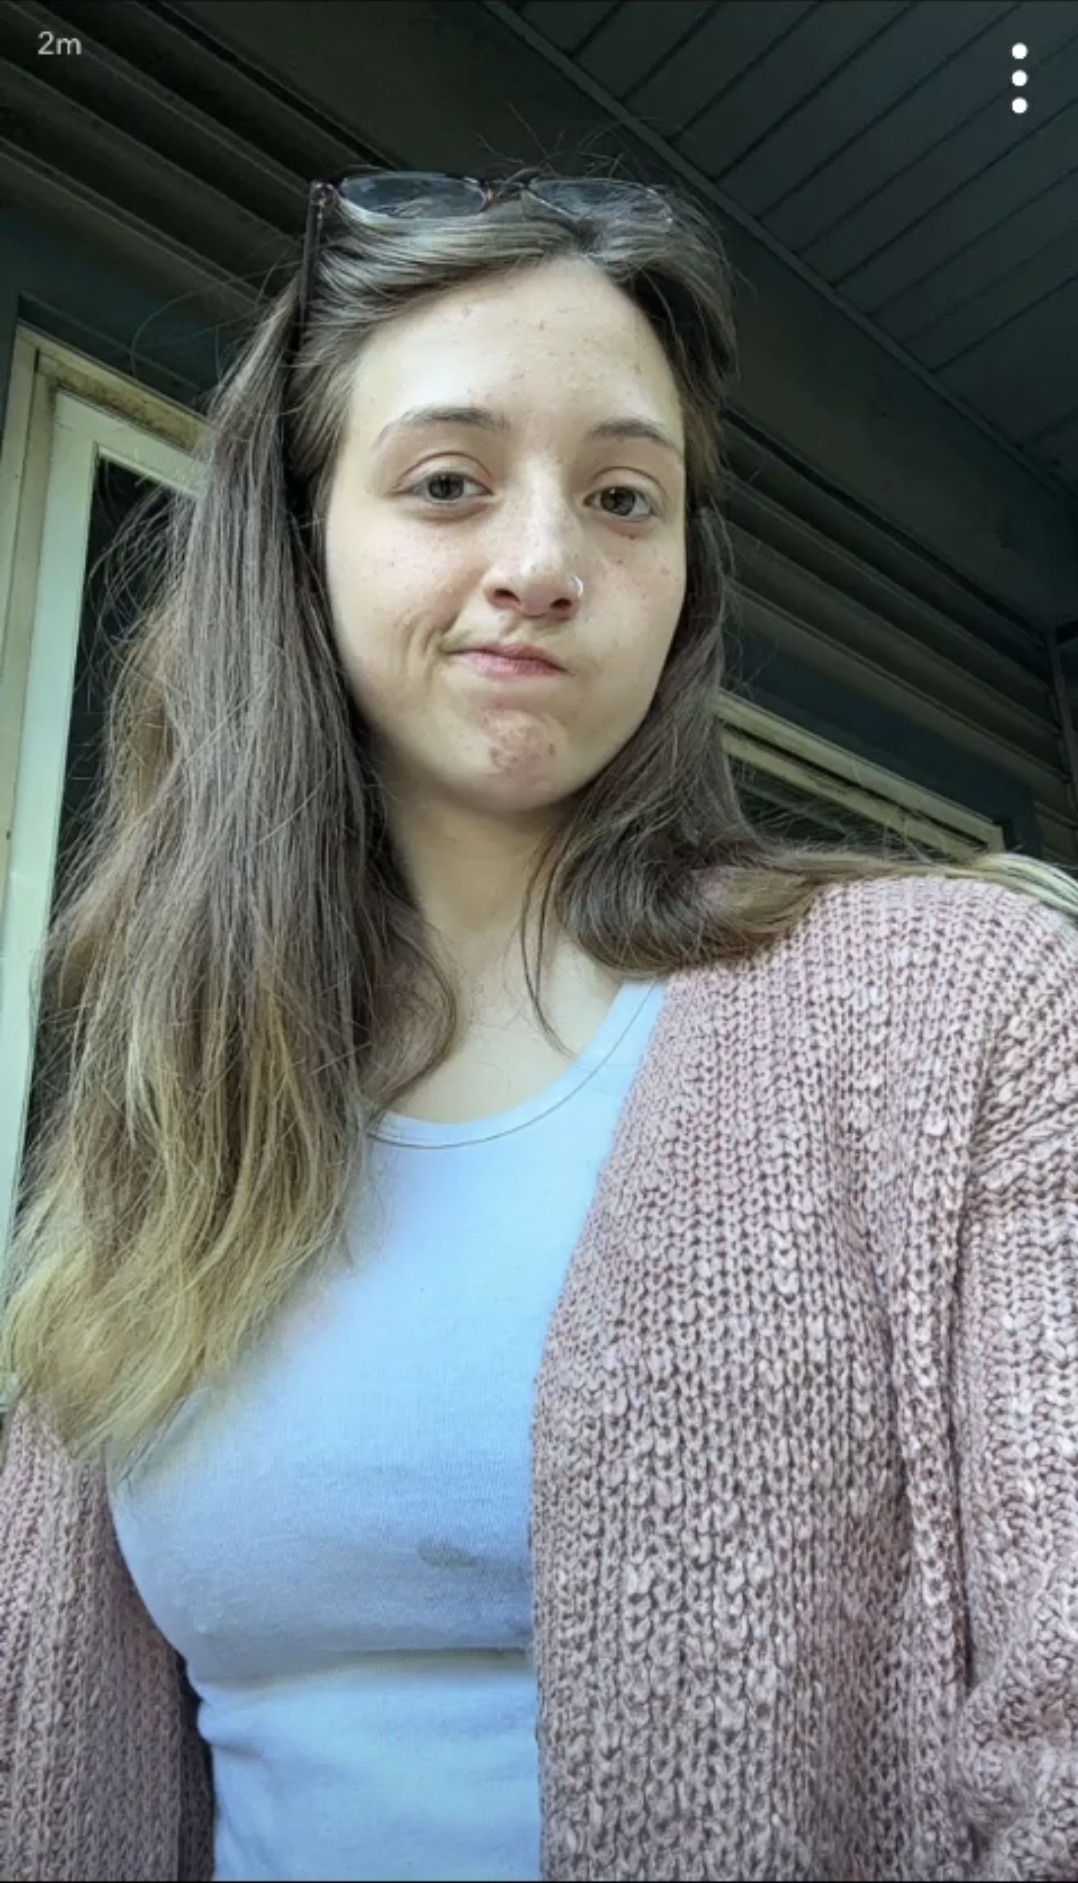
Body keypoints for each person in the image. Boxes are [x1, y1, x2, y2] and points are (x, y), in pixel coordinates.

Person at [1, 163, 1076, 1883]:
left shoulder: (964, 1012)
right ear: (299, 541)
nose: (541, 563)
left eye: (623, 498)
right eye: (447, 482)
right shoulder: (171, 1101)